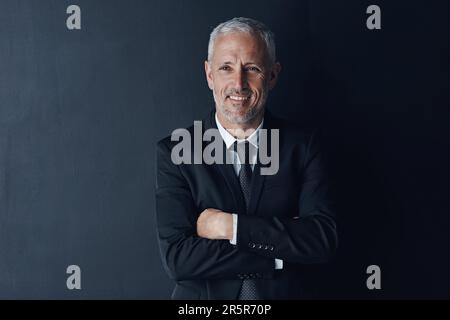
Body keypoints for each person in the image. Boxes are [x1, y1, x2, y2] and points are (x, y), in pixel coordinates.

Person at [155, 17, 337, 299]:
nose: (238, 84)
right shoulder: (176, 151)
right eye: (226, 68)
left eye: (251, 68)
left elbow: (320, 240)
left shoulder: (303, 146)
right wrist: (279, 254)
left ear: (273, 75)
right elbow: (179, 259)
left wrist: (229, 226)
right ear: (209, 75)